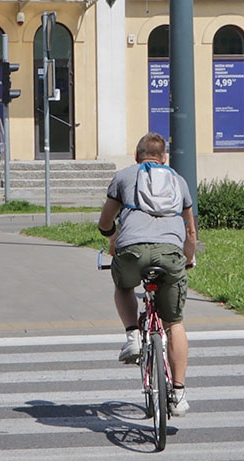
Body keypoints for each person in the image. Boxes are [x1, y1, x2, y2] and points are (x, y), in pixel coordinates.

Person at [97, 132, 197, 417]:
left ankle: (133, 336)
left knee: (124, 286)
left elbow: (105, 221)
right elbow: (190, 231)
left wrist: (113, 238)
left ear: (136, 156)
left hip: (132, 251)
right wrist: (188, 259)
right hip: (170, 254)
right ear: (164, 157)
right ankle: (178, 394)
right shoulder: (179, 181)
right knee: (174, 322)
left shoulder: (125, 176)